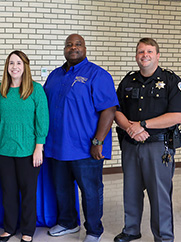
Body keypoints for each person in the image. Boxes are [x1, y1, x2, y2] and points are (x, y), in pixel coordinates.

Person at [43, 34, 119, 242]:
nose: (73, 48)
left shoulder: (98, 75)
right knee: (62, 188)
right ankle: (68, 223)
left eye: (78, 44)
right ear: (64, 49)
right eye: (69, 44)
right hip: (57, 146)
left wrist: (98, 141)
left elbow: (109, 110)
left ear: (85, 48)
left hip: (86, 148)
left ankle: (94, 230)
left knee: (91, 191)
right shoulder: (55, 75)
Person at [113, 38, 181, 242]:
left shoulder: (171, 81)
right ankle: (131, 230)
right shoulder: (128, 81)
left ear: (158, 55)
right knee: (131, 190)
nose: (145, 55)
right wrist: (129, 127)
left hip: (158, 146)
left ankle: (163, 237)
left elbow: (178, 115)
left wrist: (142, 125)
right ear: (136, 56)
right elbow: (116, 111)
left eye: (150, 51)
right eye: (141, 51)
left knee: (159, 194)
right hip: (131, 144)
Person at [0, 50, 49, 242]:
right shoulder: (0, 90)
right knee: (8, 192)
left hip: (28, 150)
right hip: (3, 149)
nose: (14, 67)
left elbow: (42, 120)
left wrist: (39, 147)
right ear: (7, 67)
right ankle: (9, 228)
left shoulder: (35, 89)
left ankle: (28, 231)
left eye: (19, 63)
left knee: (28, 192)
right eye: (11, 63)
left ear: (25, 67)